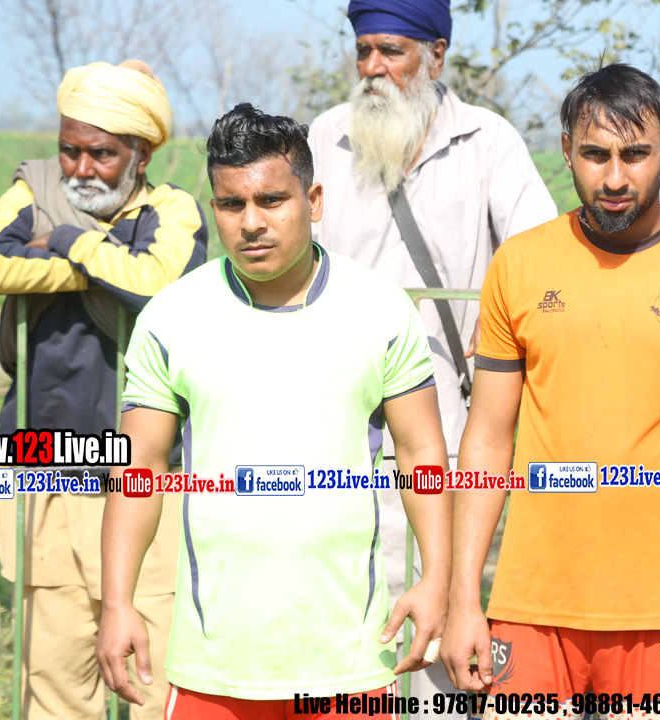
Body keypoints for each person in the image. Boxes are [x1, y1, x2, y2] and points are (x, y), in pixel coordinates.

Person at [441, 64, 660, 718]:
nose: (617, 177)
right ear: (566, 150)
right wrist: (463, 602)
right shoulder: (519, 264)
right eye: (596, 155)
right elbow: (486, 439)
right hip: (529, 608)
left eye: (636, 154)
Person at [96, 103, 452, 720]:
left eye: (272, 200)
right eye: (231, 204)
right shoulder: (172, 317)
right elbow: (140, 469)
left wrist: (436, 578)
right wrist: (116, 602)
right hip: (214, 665)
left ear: (313, 201)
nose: (251, 222)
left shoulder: (381, 309)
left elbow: (422, 454)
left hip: (347, 662)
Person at [307, 0, 556, 707]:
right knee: (351, 617)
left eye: (391, 51)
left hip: (448, 430)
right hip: (340, 428)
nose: (373, 68)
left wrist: (507, 312)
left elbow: (540, 253)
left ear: (436, 54)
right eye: (363, 51)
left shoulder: (488, 140)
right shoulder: (326, 136)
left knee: (444, 618)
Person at [0, 60, 207, 720]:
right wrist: (99, 270)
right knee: (54, 678)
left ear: (141, 153)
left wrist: (66, 240)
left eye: (102, 153)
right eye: (70, 149)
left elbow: (158, 283)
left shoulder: (172, 209)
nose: (80, 168)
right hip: (46, 471)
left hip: (145, 479)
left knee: (158, 682)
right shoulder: (32, 190)